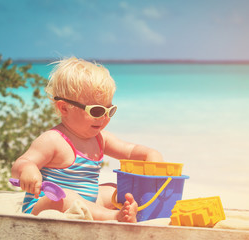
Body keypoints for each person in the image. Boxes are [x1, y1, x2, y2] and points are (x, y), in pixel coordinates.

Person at [11, 57, 164, 222]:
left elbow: (129, 151)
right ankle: (113, 216)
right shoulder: (53, 140)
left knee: (116, 190)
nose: (104, 117)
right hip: (44, 206)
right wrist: (28, 169)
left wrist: (150, 154)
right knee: (66, 197)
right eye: (97, 111)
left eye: (109, 110)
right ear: (64, 108)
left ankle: (125, 211)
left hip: (87, 202)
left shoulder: (100, 139)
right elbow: (21, 163)